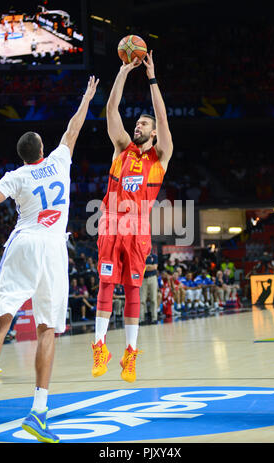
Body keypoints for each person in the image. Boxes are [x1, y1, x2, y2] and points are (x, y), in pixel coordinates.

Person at [0, 76, 99, 443]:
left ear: (22, 155)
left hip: (24, 242)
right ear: (40, 148)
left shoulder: (16, 175)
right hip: (54, 248)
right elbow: (73, 127)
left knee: (0, 323)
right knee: (46, 328)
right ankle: (39, 411)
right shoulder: (59, 159)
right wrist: (86, 97)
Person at [91, 50, 173, 383]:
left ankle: (130, 355)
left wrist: (151, 77)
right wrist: (124, 72)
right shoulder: (121, 148)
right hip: (111, 224)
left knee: (133, 290)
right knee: (106, 286)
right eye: (137, 123)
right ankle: (99, 348)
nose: (137, 126)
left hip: (137, 229)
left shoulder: (161, 156)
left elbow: (164, 120)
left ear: (152, 133)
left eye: (143, 124)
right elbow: (111, 110)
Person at [140, 251, 159, 324]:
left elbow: (155, 267)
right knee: (142, 300)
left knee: (153, 299)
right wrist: (148, 267)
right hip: (143, 279)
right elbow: (140, 267)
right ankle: (142, 319)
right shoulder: (140, 255)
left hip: (153, 278)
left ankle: (154, 318)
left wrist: (145, 266)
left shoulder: (154, 256)